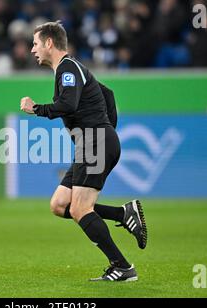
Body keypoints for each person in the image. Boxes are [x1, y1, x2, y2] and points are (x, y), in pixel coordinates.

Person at [20, 21, 147, 282]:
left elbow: (67, 104)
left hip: (95, 143)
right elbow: (108, 95)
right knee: (60, 205)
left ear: (49, 43)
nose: (32, 49)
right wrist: (106, 131)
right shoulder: (71, 69)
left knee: (79, 209)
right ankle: (123, 214)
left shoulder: (67, 68)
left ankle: (122, 267)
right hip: (93, 142)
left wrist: (37, 109)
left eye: (35, 43)